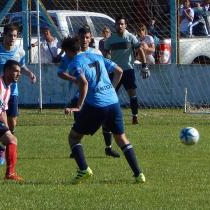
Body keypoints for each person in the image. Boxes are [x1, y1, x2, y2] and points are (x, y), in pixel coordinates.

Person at [61, 37, 146, 184]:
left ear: (68, 51)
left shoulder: (75, 63)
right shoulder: (97, 56)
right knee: (121, 138)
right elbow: (119, 71)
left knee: (74, 137)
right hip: (113, 101)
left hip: (96, 105)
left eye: (64, 52)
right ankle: (139, 174)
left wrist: (78, 106)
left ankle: (84, 170)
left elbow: (84, 83)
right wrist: (110, 89)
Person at [57, 25, 120, 158]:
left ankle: (108, 147)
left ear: (90, 38)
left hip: (97, 94)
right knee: (79, 123)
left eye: (87, 37)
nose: (84, 40)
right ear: (77, 38)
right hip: (78, 93)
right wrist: (75, 79)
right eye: (82, 37)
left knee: (106, 121)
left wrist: (109, 88)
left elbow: (104, 73)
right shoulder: (71, 54)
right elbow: (60, 72)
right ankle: (76, 149)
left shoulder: (96, 53)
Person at [0, 23, 37, 166]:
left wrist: (29, 73)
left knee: (11, 123)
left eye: (15, 35)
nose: (12, 38)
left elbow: (22, 66)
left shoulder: (20, 52)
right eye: (10, 35)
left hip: (12, 92)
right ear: (4, 35)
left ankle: (2, 148)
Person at [104, 16, 149, 125]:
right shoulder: (110, 40)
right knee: (110, 95)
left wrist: (144, 65)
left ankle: (135, 117)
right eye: (118, 24)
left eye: (122, 24)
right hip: (115, 72)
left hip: (128, 70)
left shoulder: (131, 37)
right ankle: (110, 117)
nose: (120, 26)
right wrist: (105, 67)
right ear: (115, 26)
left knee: (132, 95)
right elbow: (105, 55)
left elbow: (141, 51)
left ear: (125, 25)